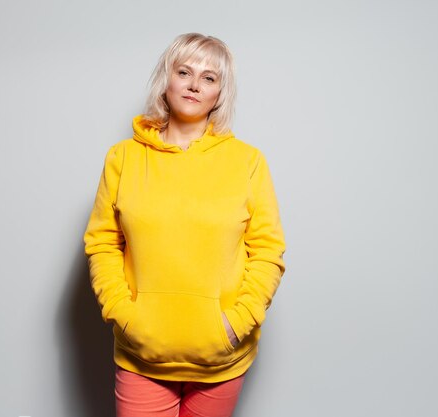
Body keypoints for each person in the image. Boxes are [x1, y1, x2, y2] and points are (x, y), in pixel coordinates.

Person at [84, 33, 286, 417]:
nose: (195, 84)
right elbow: (102, 243)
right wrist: (125, 315)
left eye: (209, 78)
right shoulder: (123, 158)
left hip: (220, 358)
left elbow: (268, 251)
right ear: (167, 79)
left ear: (219, 93)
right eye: (184, 71)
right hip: (142, 353)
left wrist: (237, 322)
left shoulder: (248, 162)